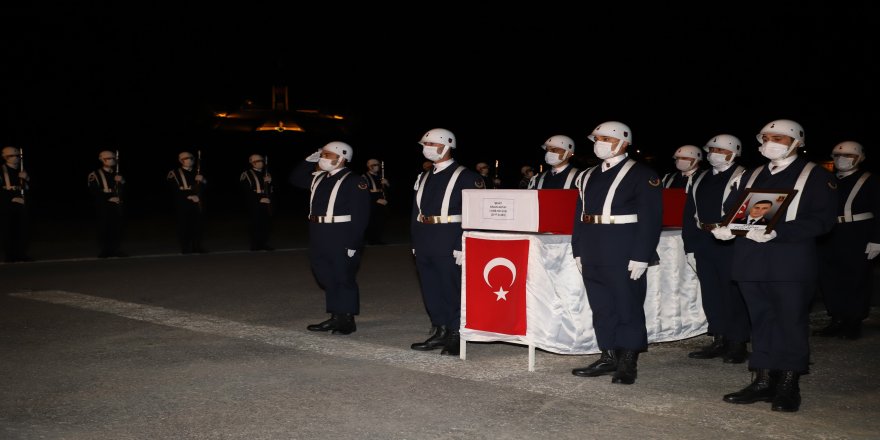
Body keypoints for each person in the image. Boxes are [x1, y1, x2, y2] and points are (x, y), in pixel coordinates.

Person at [710, 119, 837, 412]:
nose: (770, 142)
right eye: (766, 137)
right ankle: (763, 379)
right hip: (750, 261)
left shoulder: (814, 175)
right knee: (761, 321)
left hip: (789, 263)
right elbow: (735, 210)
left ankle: (789, 383)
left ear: (797, 142)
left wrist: (781, 231)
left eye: (778, 137)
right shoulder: (752, 173)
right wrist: (727, 227)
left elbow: (823, 220)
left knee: (790, 323)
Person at [570, 121, 662, 385]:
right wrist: (578, 248)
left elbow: (650, 218)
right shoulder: (586, 175)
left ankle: (628, 360)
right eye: (596, 139)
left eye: (605, 139)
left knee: (627, 305)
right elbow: (580, 215)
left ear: (623, 143)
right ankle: (608, 355)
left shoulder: (642, 174)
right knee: (601, 306)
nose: (599, 144)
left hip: (623, 247)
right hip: (592, 246)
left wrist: (642, 255)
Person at [410, 128, 484, 355]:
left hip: (450, 237)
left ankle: (456, 332)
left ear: (447, 146)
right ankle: (440, 329)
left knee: (451, 288)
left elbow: (474, 213)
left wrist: (462, 244)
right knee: (431, 287)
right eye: (425, 144)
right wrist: (415, 239)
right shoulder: (424, 176)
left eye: (431, 144)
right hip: (425, 237)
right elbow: (416, 210)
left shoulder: (468, 177)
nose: (427, 149)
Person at [289, 141, 371, 335]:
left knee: (343, 276)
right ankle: (336, 315)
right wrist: (310, 160)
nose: (323, 159)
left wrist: (353, 243)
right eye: (322, 155)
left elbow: (361, 215)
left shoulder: (354, 181)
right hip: (319, 232)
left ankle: (347, 319)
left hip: (341, 233)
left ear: (341, 158)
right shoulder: (319, 178)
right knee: (325, 274)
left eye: (327, 155)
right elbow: (295, 178)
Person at [681, 134, 750, 363]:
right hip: (704, 239)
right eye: (712, 149)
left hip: (731, 241)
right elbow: (689, 214)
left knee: (733, 293)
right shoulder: (699, 178)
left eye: (720, 150)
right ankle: (719, 338)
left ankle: (738, 341)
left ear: (733, 153)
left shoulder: (744, 176)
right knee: (711, 292)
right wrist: (689, 245)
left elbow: (750, 212)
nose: (714, 154)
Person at [815, 141, 880, 340]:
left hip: (857, 233)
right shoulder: (828, 180)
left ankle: (853, 322)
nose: (841, 159)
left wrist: (877, 240)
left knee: (856, 279)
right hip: (830, 234)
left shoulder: (870, 180)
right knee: (829, 279)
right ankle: (837, 319)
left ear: (860, 158)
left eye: (849, 156)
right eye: (837, 155)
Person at [166, 151, 207, 254]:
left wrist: (203, 181)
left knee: (197, 226)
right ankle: (185, 248)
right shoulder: (174, 173)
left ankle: (196, 247)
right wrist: (189, 196)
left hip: (197, 203)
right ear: (181, 161)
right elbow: (174, 189)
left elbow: (205, 188)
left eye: (191, 158)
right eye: (186, 158)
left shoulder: (197, 172)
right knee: (184, 226)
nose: (189, 160)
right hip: (183, 203)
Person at [88, 150, 127, 258]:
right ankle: (105, 250)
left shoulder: (117, 174)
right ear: (102, 160)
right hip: (103, 205)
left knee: (117, 227)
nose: (112, 160)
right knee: (104, 227)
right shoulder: (95, 174)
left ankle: (116, 249)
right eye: (108, 158)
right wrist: (108, 198)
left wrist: (122, 181)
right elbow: (94, 191)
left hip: (116, 204)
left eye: (113, 158)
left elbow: (122, 190)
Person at [0, 146, 31, 262]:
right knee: (8, 230)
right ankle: (10, 255)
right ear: (5, 157)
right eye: (12, 156)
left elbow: (29, 188)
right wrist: (10, 198)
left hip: (21, 203)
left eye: (17, 156)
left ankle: (21, 254)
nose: (16, 158)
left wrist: (26, 178)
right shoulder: (2, 170)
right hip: (6, 205)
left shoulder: (22, 170)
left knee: (22, 230)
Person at [239, 153, 274, 251]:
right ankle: (255, 244)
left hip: (266, 202)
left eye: (261, 160)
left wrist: (270, 182)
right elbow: (246, 190)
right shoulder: (246, 174)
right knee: (255, 224)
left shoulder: (267, 174)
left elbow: (272, 190)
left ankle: (264, 243)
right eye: (257, 161)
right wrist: (258, 199)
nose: (260, 163)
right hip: (254, 203)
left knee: (266, 224)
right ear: (251, 162)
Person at [364, 158, 390, 245]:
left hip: (381, 201)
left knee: (380, 221)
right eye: (375, 165)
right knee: (372, 222)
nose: (377, 167)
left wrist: (387, 184)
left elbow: (385, 190)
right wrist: (376, 200)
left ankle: (377, 239)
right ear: (369, 167)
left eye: (378, 165)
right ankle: (371, 239)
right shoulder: (364, 177)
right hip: (371, 202)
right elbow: (364, 192)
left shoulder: (380, 177)